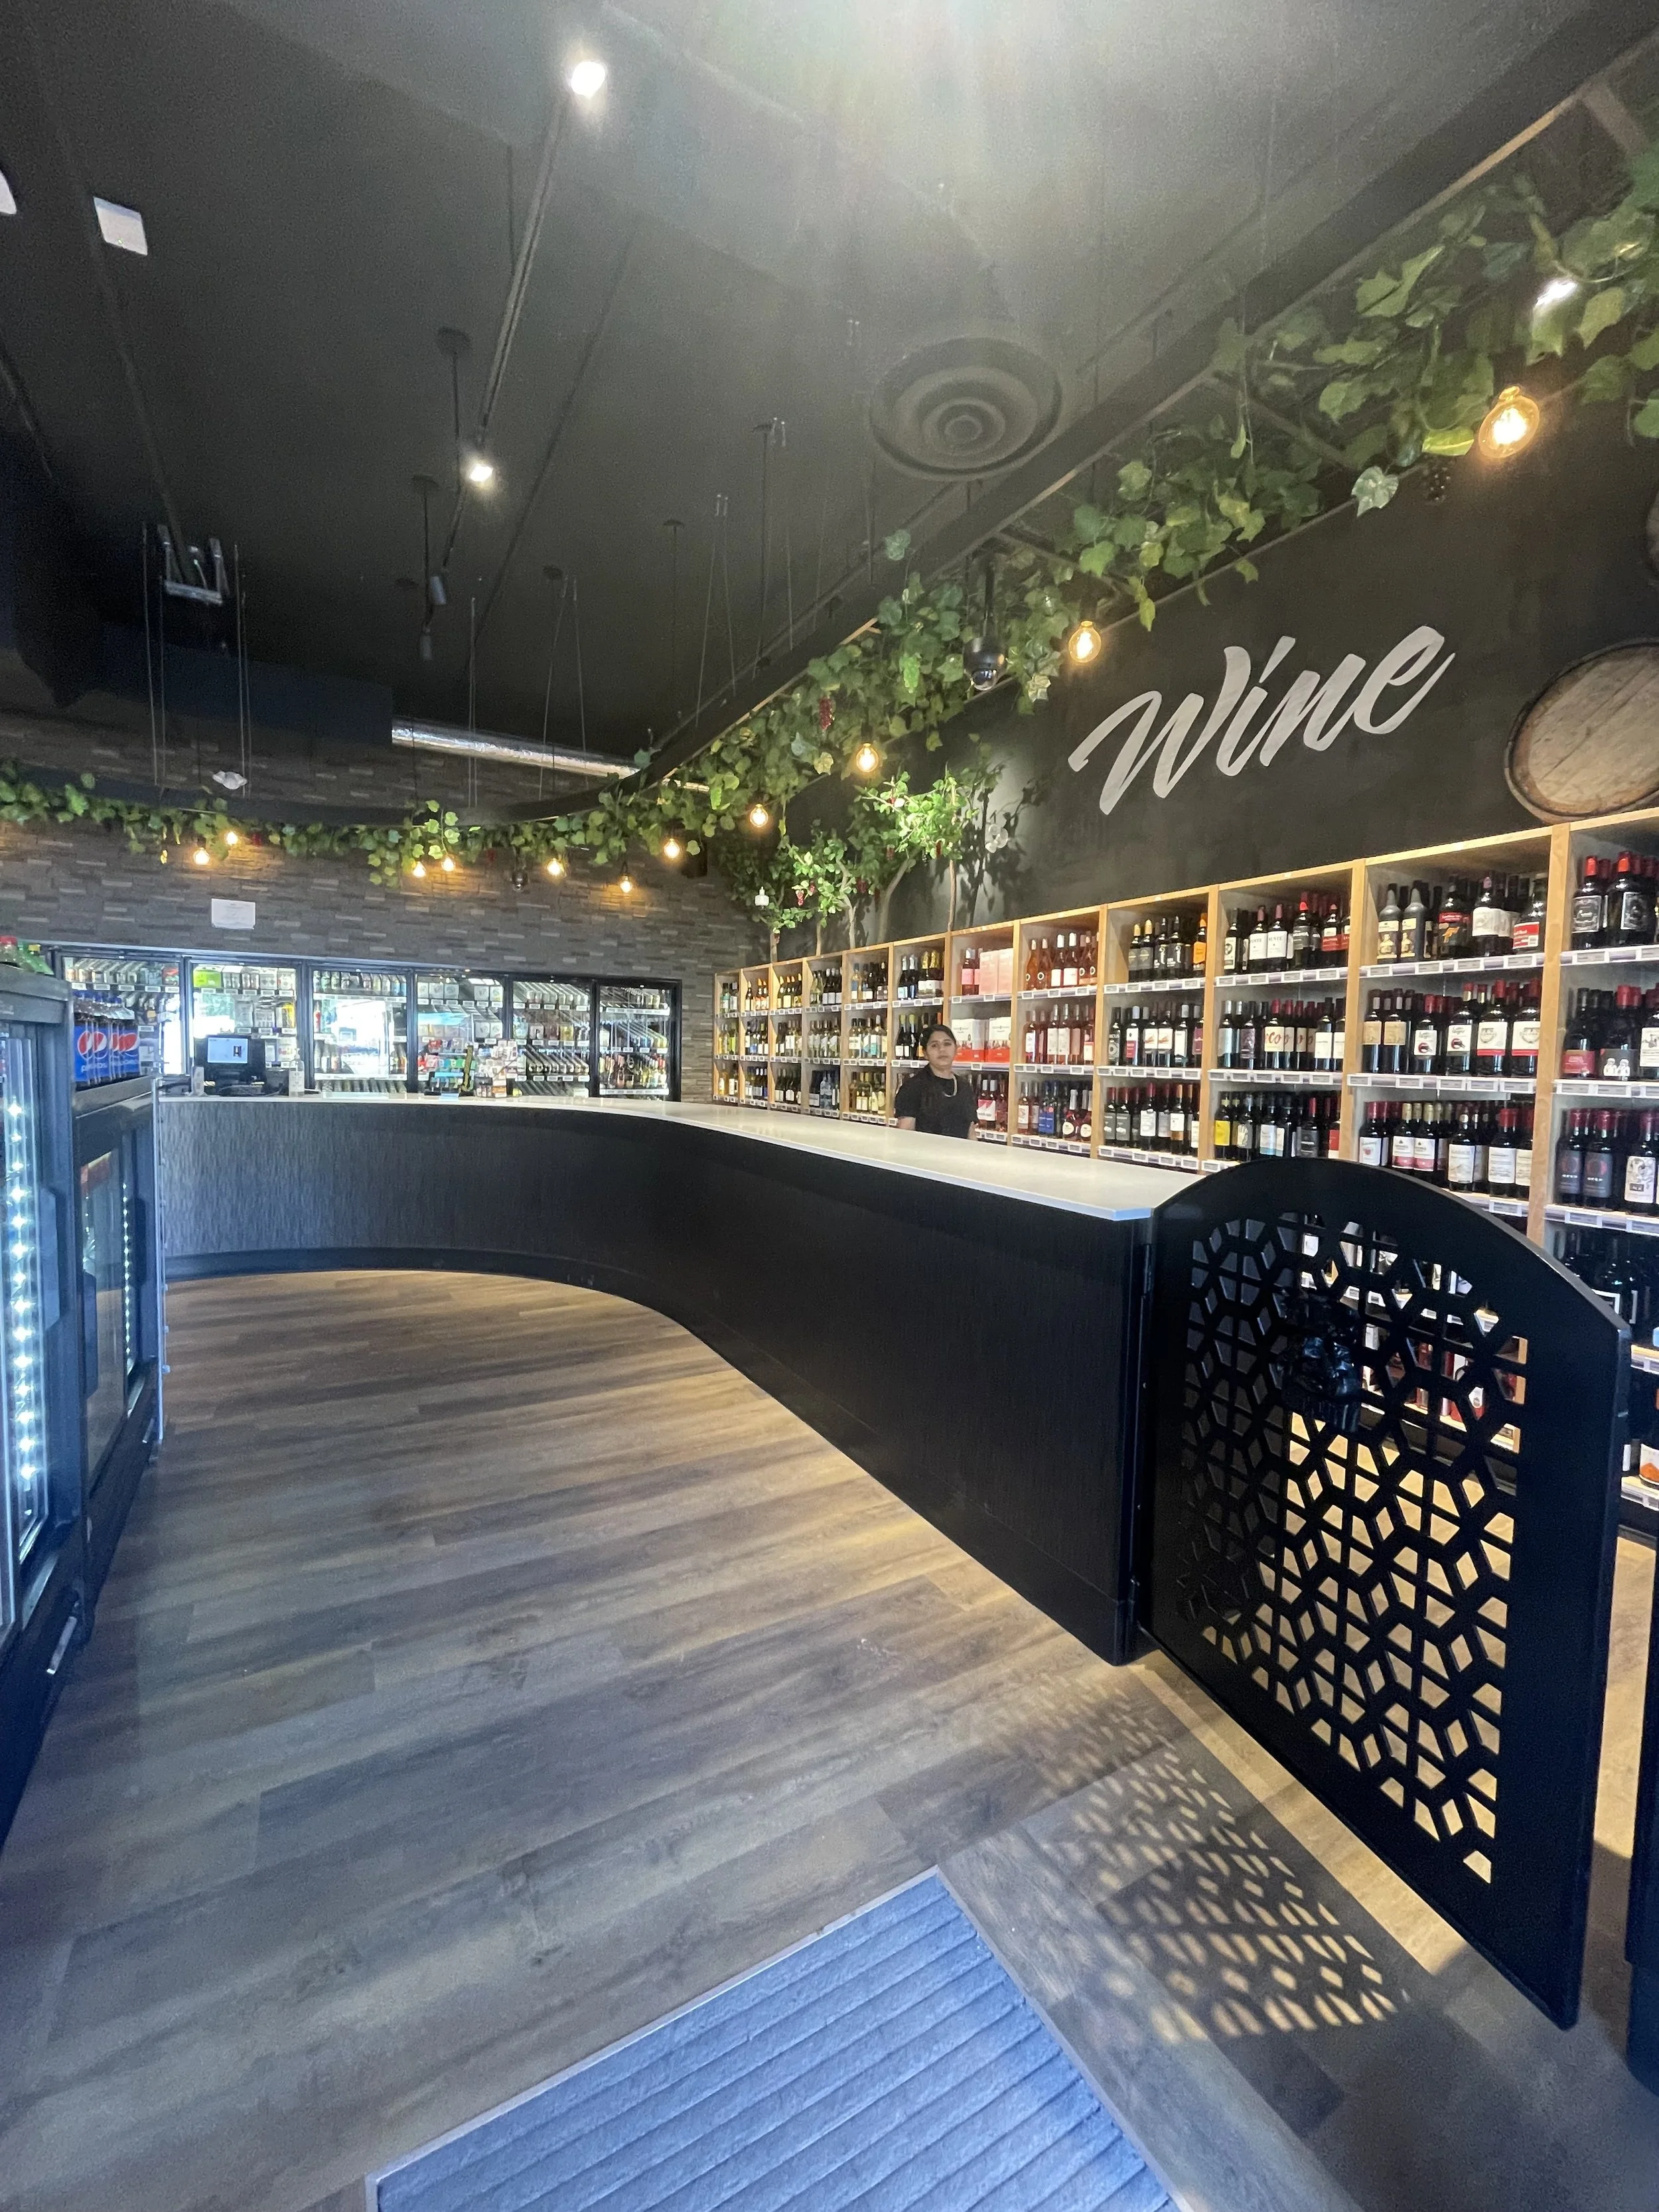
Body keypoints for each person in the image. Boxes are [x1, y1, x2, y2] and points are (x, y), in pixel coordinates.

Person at [893, 1023, 979, 1140]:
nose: (942, 1049)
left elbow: (971, 1133)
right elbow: (905, 1137)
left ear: (956, 1049)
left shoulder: (964, 1087)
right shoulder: (913, 1088)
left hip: (959, 1156)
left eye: (947, 1044)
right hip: (925, 1156)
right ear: (925, 1053)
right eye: (934, 1045)